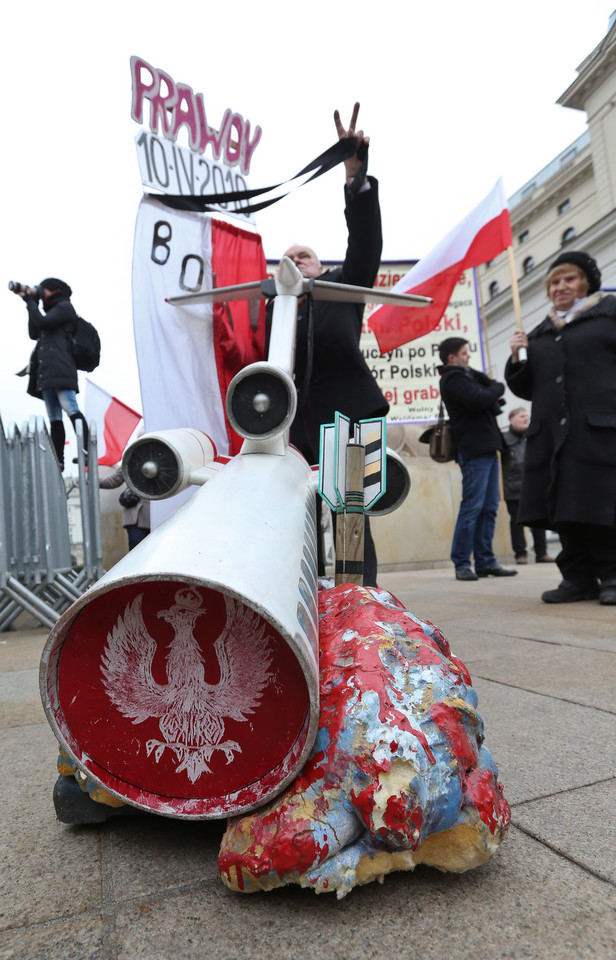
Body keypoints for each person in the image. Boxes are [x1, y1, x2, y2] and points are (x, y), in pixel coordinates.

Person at [275, 104, 388, 587]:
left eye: (305, 255)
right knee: (299, 517)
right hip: (292, 423)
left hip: (347, 418)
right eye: (288, 257)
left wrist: (355, 175)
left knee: (350, 516)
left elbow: (364, 242)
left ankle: (359, 601)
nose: (296, 259)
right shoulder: (274, 307)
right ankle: (306, 599)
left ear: (321, 266)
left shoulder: (344, 285)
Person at [506, 250, 616, 605]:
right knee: (566, 506)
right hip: (554, 438)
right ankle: (577, 578)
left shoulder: (609, 314)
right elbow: (525, 387)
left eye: (569, 279)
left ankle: (613, 574)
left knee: (602, 502)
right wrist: (517, 358)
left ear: (586, 282)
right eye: (554, 282)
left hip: (600, 430)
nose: (560, 287)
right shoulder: (539, 332)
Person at [438, 337, 517, 581]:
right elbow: (481, 398)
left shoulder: (467, 375)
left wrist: (490, 388)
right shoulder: (453, 378)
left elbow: (491, 386)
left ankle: (486, 562)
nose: (468, 356)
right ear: (452, 358)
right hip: (474, 449)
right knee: (472, 507)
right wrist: (493, 390)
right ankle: (462, 562)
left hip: (488, 447)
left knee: (490, 507)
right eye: (464, 353)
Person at [17, 278, 89, 470]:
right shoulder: (51, 312)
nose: (42, 292)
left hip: (61, 368)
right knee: (54, 418)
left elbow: (43, 323)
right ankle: (59, 460)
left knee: (70, 408)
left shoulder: (65, 307)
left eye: (45, 289)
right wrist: (31, 304)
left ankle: (86, 452)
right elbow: (35, 331)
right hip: (47, 372)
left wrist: (32, 302)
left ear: (55, 291)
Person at [501, 407, 554, 565]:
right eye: (522, 416)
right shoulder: (504, 439)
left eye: (527, 416)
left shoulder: (533, 436)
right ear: (511, 420)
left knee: (539, 518)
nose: (526, 419)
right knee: (517, 521)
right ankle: (520, 554)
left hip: (533, 483)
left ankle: (541, 552)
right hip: (513, 486)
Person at [99, 466, 151, 551]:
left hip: (156, 514)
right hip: (134, 515)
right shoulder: (130, 458)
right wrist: (91, 479)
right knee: (136, 547)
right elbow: (114, 480)